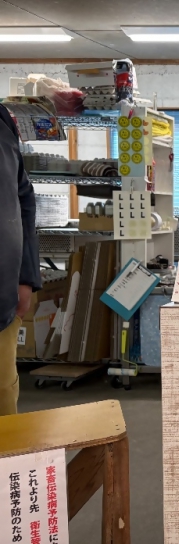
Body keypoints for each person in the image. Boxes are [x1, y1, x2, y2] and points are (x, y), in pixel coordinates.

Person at [0, 104, 41, 415]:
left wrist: (26, 276)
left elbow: (23, 196)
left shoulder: (2, 121)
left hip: (3, 295)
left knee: (3, 396)